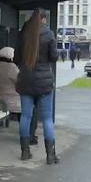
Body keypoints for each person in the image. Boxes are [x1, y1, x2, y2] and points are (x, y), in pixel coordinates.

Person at [15, 11, 59, 163]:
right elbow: (54, 57)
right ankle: (50, 155)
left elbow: (16, 59)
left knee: (26, 116)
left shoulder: (23, 34)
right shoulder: (49, 34)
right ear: (43, 19)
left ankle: (25, 152)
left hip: (26, 80)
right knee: (47, 118)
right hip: (44, 82)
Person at [0, 47, 21, 120]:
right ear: (12, 57)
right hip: (10, 104)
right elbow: (21, 82)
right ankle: (26, 130)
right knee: (30, 108)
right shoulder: (12, 68)